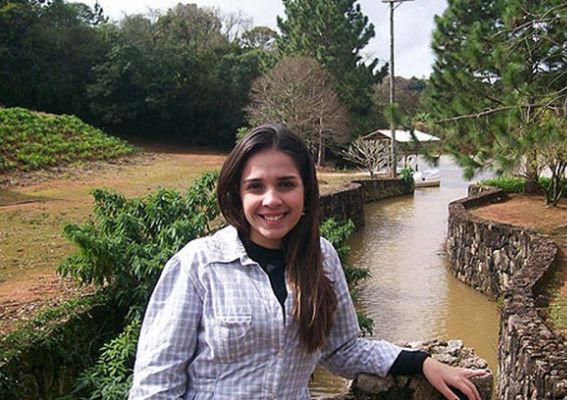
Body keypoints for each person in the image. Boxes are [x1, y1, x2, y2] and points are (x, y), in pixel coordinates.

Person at [129, 123, 487, 400]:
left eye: (286, 184)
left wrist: (421, 362)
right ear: (238, 195)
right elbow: (156, 386)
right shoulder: (198, 265)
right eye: (255, 187)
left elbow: (342, 349)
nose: (271, 199)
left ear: (306, 191)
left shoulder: (322, 257)